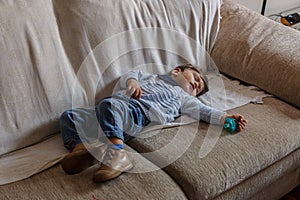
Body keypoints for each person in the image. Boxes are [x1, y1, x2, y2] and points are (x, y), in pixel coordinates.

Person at [59, 64, 248, 183]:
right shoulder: (150, 77)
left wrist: (226, 118)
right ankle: (81, 149)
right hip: (111, 109)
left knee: (109, 105)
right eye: (195, 78)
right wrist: (133, 83)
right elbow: (131, 74)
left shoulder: (184, 98)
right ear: (177, 71)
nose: (196, 85)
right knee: (69, 116)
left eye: (198, 89)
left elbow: (205, 111)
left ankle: (117, 154)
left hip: (137, 115)